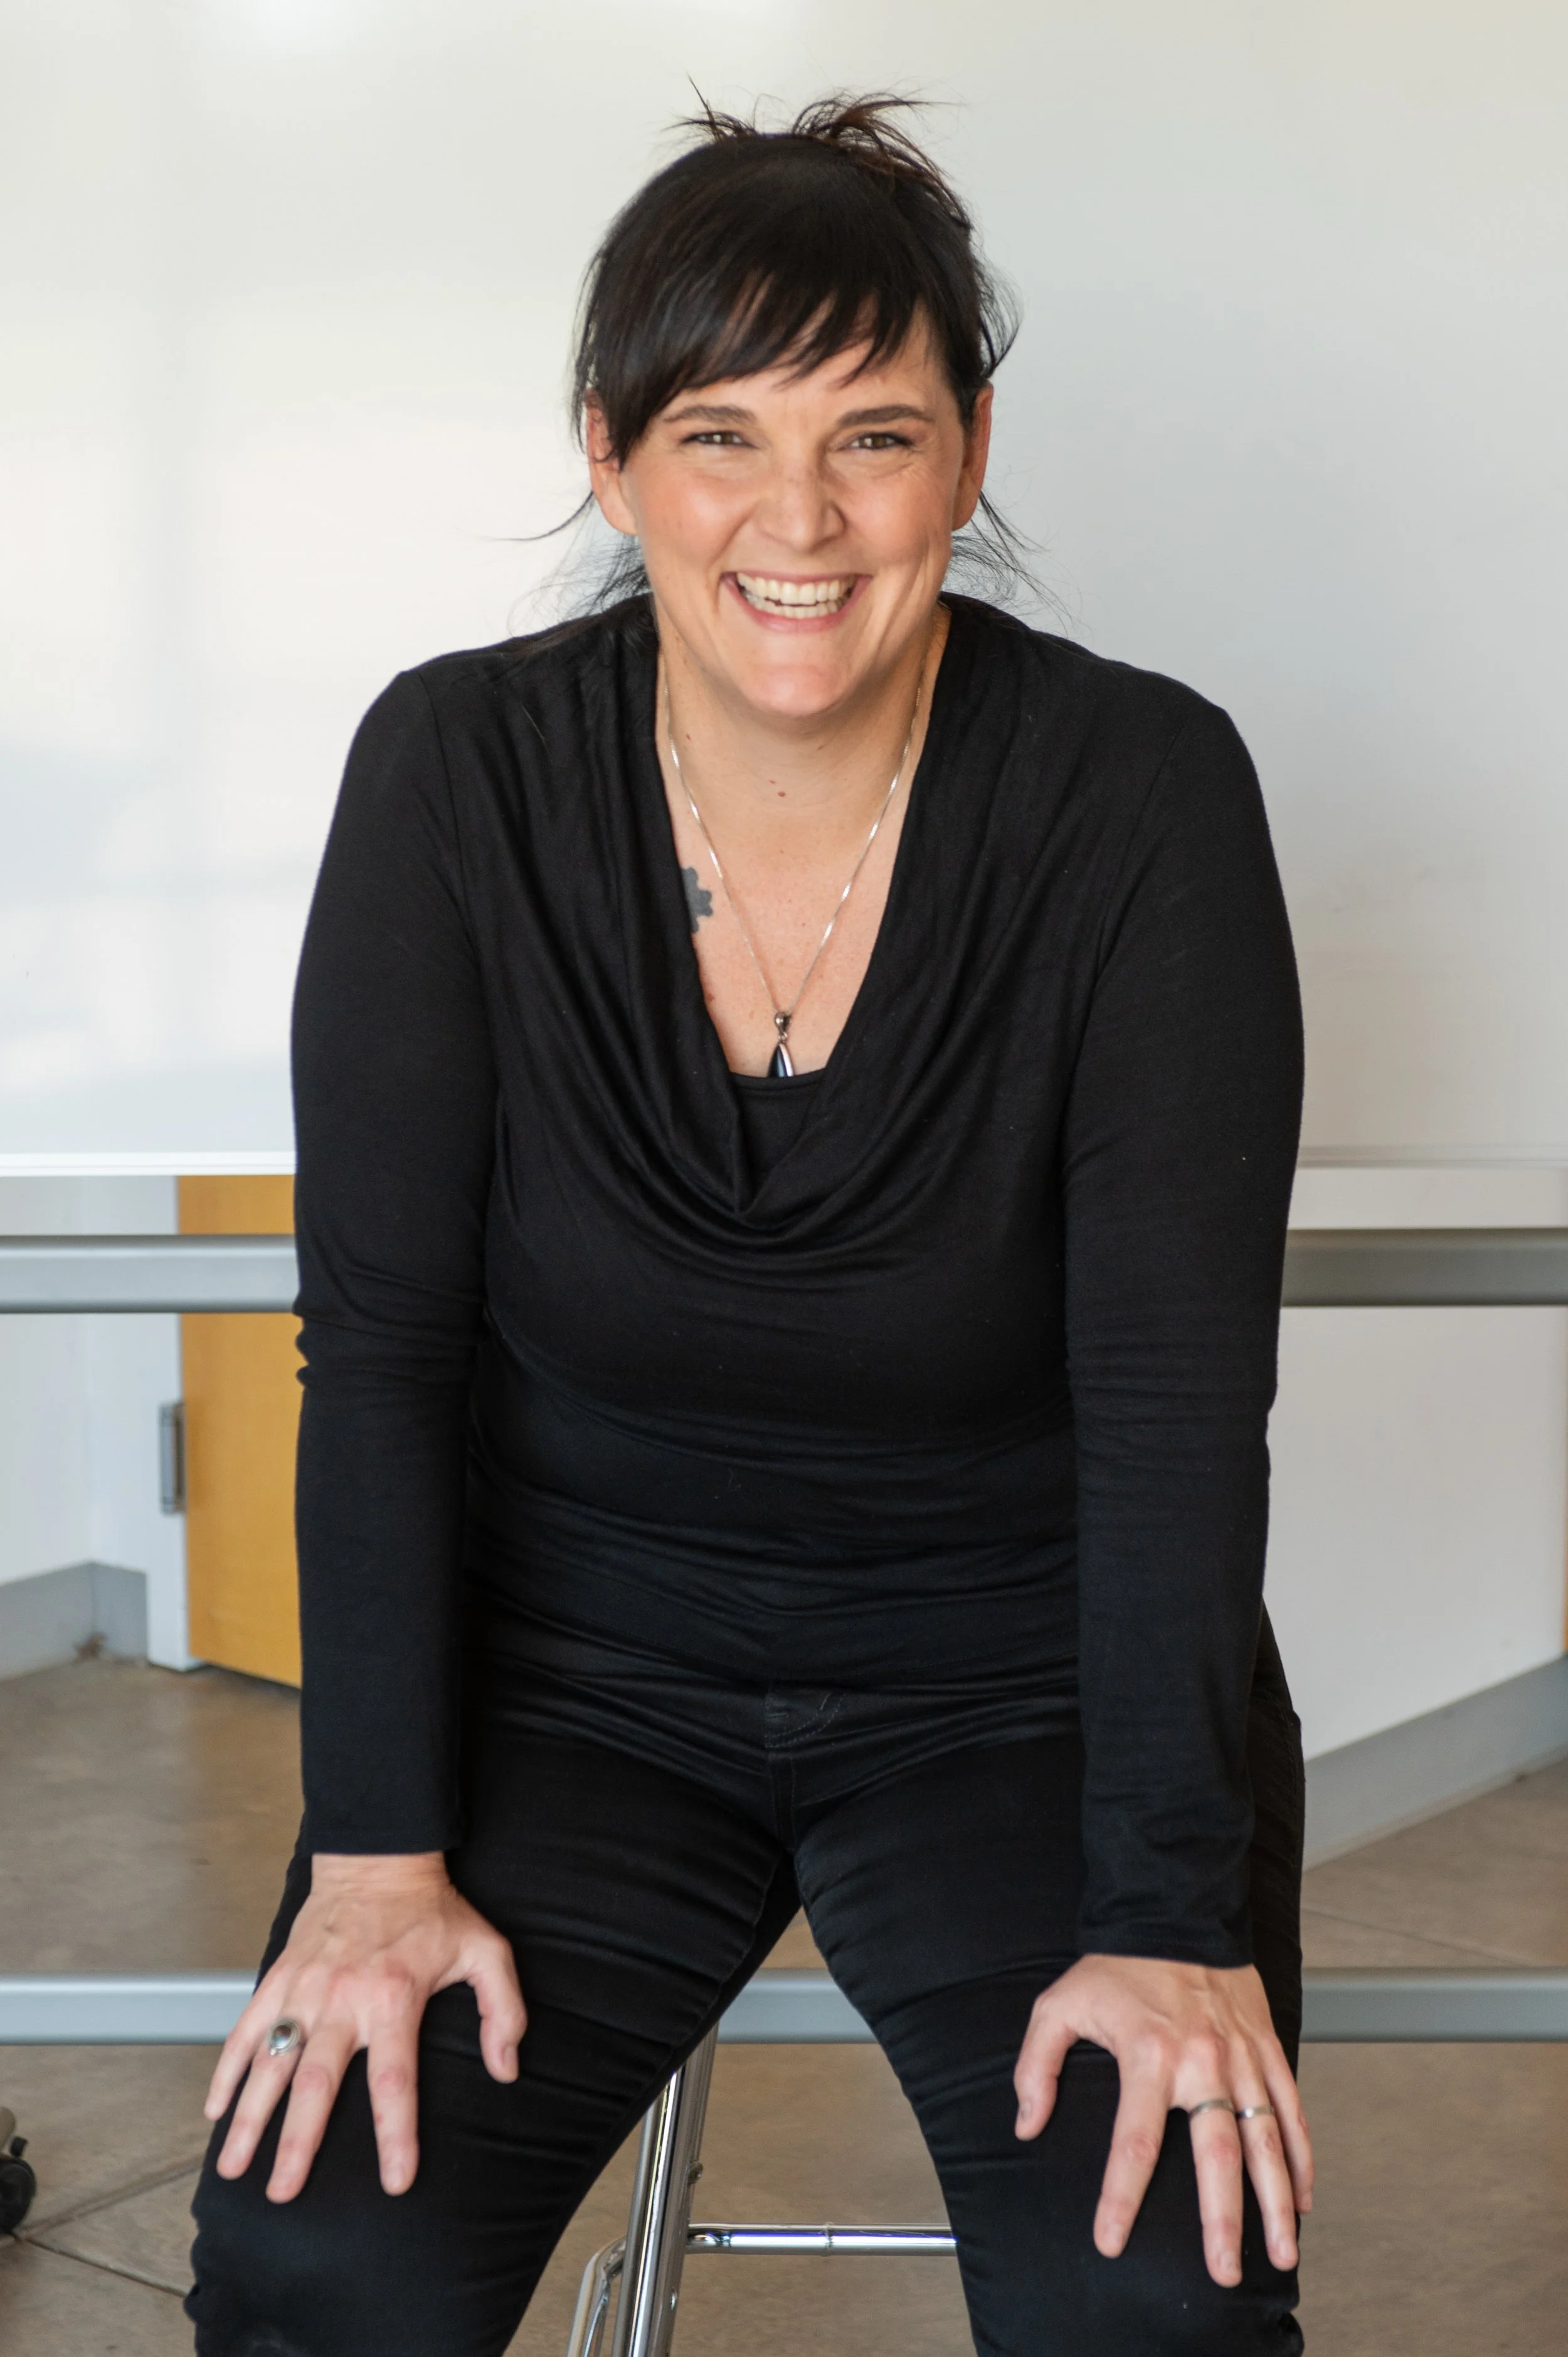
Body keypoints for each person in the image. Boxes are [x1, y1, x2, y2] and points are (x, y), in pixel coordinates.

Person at [187, 96, 1313, 2357]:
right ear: (610, 458)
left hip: (1021, 1692)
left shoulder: (1139, 796)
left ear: (968, 455)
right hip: (572, 1683)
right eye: (722, 431)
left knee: (1155, 2299)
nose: (797, 519)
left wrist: (1170, 1908)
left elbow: (1180, 1410)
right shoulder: (455, 775)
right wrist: (382, 1862)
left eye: (873, 433)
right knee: (324, 2247)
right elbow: (384, 1360)